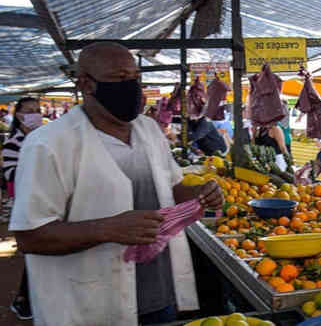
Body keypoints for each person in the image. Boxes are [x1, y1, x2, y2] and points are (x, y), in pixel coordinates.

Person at [9, 42, 225, 325]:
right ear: (86, 84)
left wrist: (199, 193)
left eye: (135, 78)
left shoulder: (149, 130)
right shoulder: (48, 145)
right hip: (91, 304)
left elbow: (170, 187)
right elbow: (30, 236)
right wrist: (106, 229)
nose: (132, 87)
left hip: (159, 294)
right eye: (120, 79)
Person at [3, 96, 41, 320]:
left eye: (37, 109)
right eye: (30, 110)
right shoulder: (12, 144)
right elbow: (11, 175)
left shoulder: (43, 137)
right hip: (27, 206)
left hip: (45, 202)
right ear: (19, 115)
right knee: (36, 251)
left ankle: (26, 299)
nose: (36, 113)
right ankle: (23, 300)